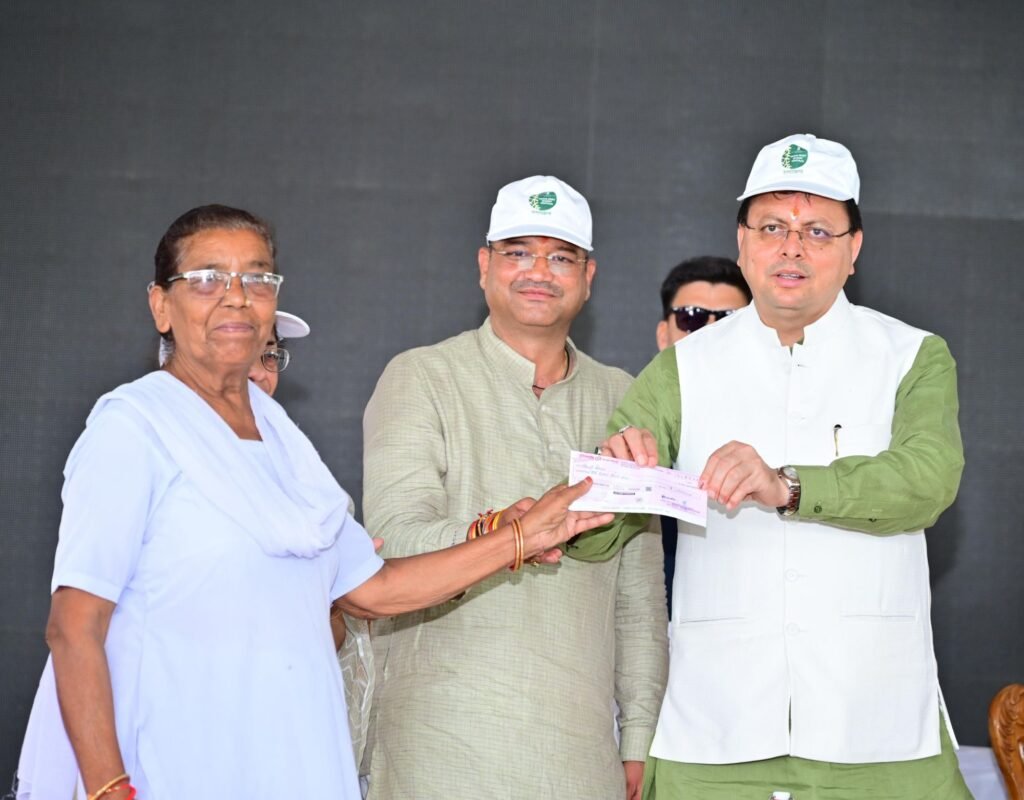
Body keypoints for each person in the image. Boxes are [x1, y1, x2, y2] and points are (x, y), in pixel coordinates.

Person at [14, 204, 611, 800]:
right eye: (208, 279)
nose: (236, 297)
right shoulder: (132, 426)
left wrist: (522, 537)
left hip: (289, 760)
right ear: (161, 306)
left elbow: (376, 591)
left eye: (257, 278)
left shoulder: (282, 437)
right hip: (172, 763)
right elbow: (74, 627)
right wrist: (109, 788)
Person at [589, 134, 970, 799]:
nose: (792, 247)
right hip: (717, 724)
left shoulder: (910, 354)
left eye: (817, 230)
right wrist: (614, 477)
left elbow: (928, 479)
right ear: (742, 243)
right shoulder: (684, 366)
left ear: (854, 248)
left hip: (874, 724)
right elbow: (597, 532)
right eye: (772, 227)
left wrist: (789, 486)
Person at [362, 176, 669, 799]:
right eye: (518, 252)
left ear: (588, 277)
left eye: (561, 257)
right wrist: (508, 533)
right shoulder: (422, 377)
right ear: (484, 266)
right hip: (437, 748)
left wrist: (639, 737)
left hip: (579, 758)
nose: (539, 272)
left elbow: (638, 596)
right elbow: (391, 547)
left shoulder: (623, 397)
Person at [654, 256, 751, 613]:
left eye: (728, 320)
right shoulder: (629, 425)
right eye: (691, 317)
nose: (710, 333)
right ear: (663, 334)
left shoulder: (791, 431)